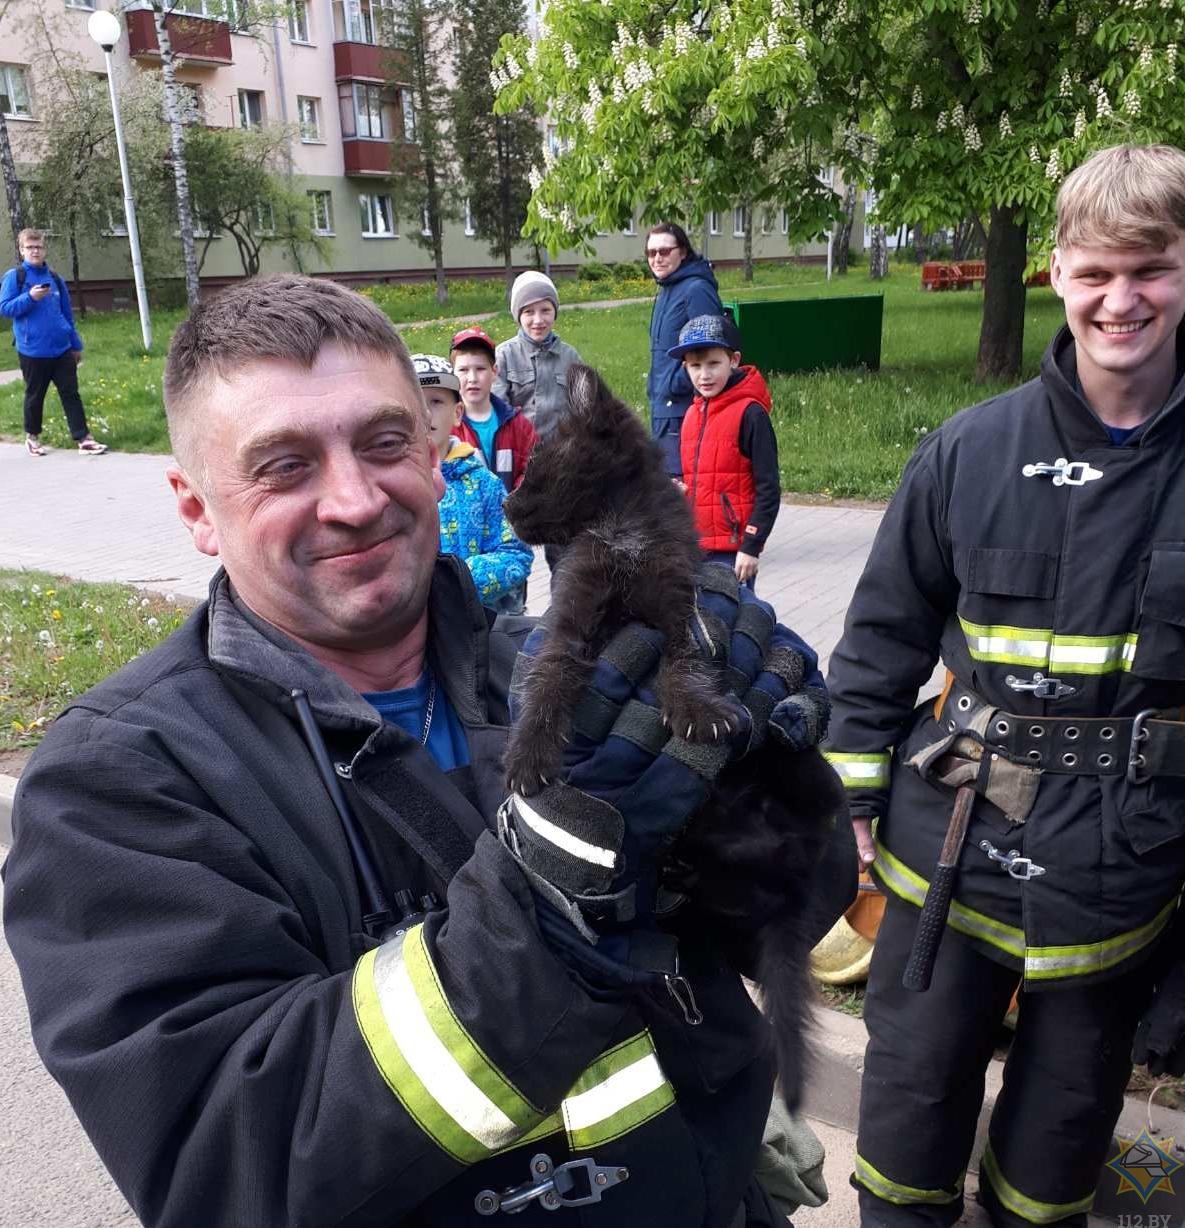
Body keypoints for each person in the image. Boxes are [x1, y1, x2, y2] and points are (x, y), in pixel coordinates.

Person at [3, 273, 850, 1228]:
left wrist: (771, 775)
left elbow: (794, 910)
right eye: (283, 466)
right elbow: (236, 1164)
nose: (356, 500)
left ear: (440, 457)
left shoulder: (558, 661)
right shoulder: (118, 786)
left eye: (384, 443)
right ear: (196, 507)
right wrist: (554, 888)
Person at [823, 143, 1185, 1228]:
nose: (1121, 299)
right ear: (1060, 272)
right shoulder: (969, 451)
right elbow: (882, 631)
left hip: (1125, 859)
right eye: (1095, 271)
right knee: (907, 1112)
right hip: (953, 846)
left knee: (1060, 1136)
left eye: (1152, 268)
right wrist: (847, 797)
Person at [413, 351, 533, 612]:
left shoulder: (483, 484)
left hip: (471, 630)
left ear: (458, 413)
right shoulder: (386, 485)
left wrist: (457, 580)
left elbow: (516, 554)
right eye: (413, 402)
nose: (424, 413)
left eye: (435, 402)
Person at [669, 314, 780, 590]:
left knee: (732, 625)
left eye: (713, 364)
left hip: (734, 551)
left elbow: (769, 489)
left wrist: (752, 545)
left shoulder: (751, 414)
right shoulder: (693, 414)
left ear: (734, 360)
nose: (704, 375)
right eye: (695, 366)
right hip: (696, 545)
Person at [0, 228, 108, 456]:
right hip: (32, 350)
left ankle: (83, 438)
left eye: (38, 247)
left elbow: (66, 313)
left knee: (71, 393)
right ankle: (32, 437)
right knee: (35, 395)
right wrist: (30, 297)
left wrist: (75, 344)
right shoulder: (15, 277)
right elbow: (5, 308)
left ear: (44, 249)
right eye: (30, 247)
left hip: (61, 349)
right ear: (22, 250)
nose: (35, 251)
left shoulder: (55, 278)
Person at [646, 223, 725, 478]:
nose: (657, 258)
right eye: (651, 253)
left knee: (683, 494)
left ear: (683, 252)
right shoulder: (668, 288)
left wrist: (675, 384)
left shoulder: (696, 290)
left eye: (665, 251)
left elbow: (712, 348)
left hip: (683, 412)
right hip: (663, 410)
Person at [493, 270, 583, 437]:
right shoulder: (503, 356)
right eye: (529, 312)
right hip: (519, 452)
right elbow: (495, 410)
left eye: (545, 310)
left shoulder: (571, 357)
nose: (538, 320)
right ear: (518, 316)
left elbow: (583, 409)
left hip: (562, 452)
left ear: (555, 312)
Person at [450, 325, 537, 491]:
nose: (472, 378)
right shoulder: (448, 427)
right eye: (463, 370)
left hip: (511, 512)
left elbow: (533, 469)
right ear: (452, 373)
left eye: (480, 369)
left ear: (494, 371)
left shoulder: (518, 425)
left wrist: (515, 499)